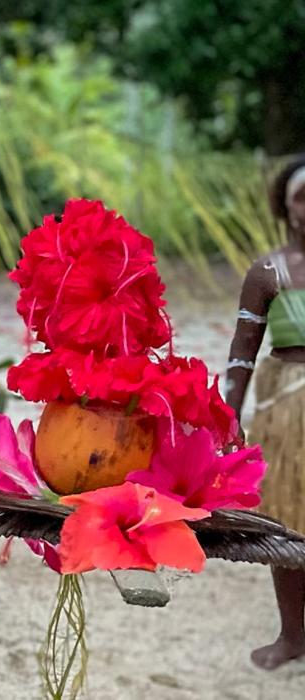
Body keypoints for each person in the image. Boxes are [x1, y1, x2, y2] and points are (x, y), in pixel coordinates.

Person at [226, 155, 305, 670]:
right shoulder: (268, 271)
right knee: (288, 522)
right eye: (303, 197)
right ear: (286, 207)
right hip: (285, 412)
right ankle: (293, 633)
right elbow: (242, 350)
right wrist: (228, 413)